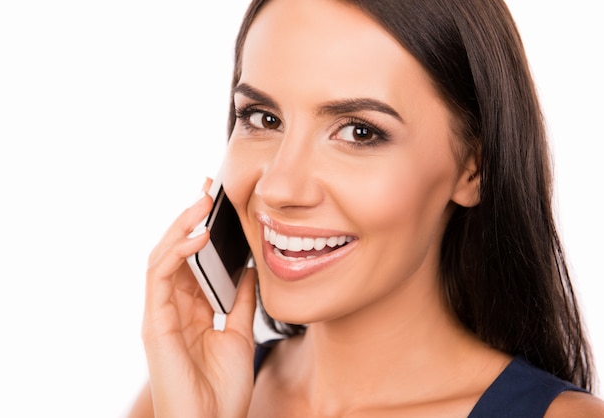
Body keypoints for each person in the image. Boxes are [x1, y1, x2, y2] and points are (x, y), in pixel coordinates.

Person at [128, 0, 604, 416]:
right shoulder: (177, 399)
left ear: (473, 168)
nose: (277, 187)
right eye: (263, 118)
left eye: (359, 131)